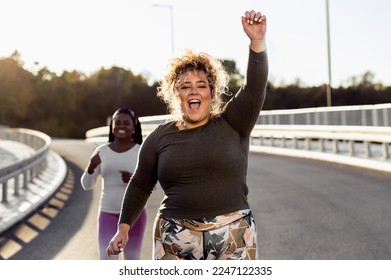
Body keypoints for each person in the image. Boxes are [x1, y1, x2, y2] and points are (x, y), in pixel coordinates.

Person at [107, 9, 268, 260]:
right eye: (185, 86)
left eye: (201, 85)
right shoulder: (159, 137)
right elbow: (140, 184)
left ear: (212, 93)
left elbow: (254, 88)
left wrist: (256, 42)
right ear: (176, 94)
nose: (194, 91)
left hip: (233, 234)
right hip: (175, 237)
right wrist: (123, 228)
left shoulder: (234, 122)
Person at [81, 108, 147, 260]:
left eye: (126, 123)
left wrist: (132, 179)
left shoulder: (141, 152)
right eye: (117, 123)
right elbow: (86, 185)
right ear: (112, 126)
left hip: (134, 216)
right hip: (107, 213)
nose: (121, 126)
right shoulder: (101, 151)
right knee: (107, 260)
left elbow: (153, 186)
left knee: (132, 260)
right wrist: (91, 167)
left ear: (134, 126)